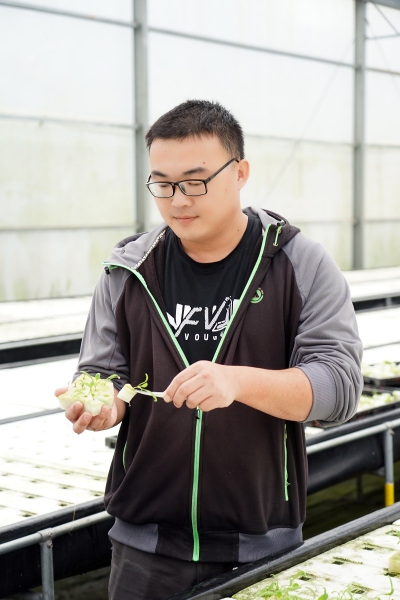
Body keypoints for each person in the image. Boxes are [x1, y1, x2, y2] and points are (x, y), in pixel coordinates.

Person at [55, 100, 362, 600]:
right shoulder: (129, 270)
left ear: (240, 173)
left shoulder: (295, 263)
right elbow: (102, 370)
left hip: (263, 544)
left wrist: (237, 381)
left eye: (195, 181)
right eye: (162, 183)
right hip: (144, 547)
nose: (178, 200)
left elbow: (340, 389)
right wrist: (101, 403)